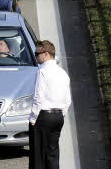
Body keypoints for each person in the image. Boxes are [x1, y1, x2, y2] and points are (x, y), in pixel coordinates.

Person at [29, 39, 72, 169]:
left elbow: (38, 97)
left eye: (37, 54)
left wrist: (33, 117)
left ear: (46, 54)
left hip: (43, 116)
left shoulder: (42, 71)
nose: (35, 56)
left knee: (38, 155)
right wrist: (61, 114)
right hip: (58, 116)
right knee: (52, 153)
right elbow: (67, 100)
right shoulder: (63, 73)